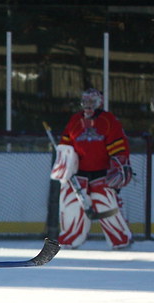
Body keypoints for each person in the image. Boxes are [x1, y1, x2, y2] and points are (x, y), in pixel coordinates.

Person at [50, 87, 134, 250]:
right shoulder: (75, 120)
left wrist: (119, 166)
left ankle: (120, 239)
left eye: (92, 101)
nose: (88, 105)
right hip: (78, 174)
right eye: (85, 101)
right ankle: (70, 238)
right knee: (70, 204)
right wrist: (65, 164)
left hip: (102, 173)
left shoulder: (108, 120)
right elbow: (66, 145)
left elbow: (119, 148)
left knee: (106, 205)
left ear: (99, 102)